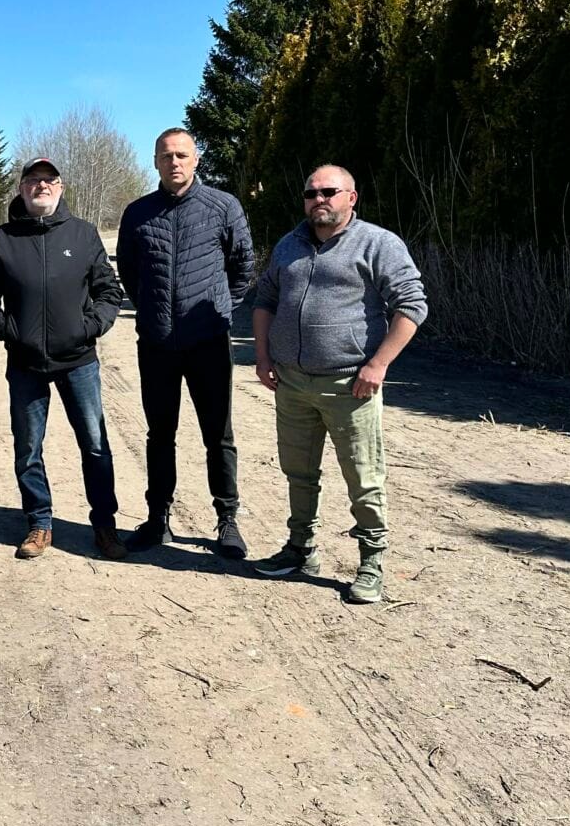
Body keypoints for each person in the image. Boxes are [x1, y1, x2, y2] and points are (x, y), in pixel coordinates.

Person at [251, 164, 428, 604]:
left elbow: (412, 305)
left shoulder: (378, 243)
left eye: (329, 191)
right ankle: (300, 548)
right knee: (298, 473)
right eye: (310, 193)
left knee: (363, 479)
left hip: (351, 385)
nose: (318, 199)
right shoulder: (289, 245)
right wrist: (262, 356)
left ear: (352, 197)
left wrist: (379, 364)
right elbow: (266, 300)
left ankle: (371, 561)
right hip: (291, 383)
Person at [0, 157, 128, 561]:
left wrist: (90, 326)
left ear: (61, 188)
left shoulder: (83, 234)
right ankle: (39, 523)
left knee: (95, 446)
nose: (41, 186)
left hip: (79, 361)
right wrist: (11, 333)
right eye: (33, 180)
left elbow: (109, 292)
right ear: (21, 188)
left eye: (49, 180)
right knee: (28, 448)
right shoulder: (2, 238)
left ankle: (105, 527)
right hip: (25, 364)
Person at [116, 128, 255, 558]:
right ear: (155, 162)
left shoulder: (222, 206)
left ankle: (227, 520)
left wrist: (218, 308)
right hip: (156, 343)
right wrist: (154, 310)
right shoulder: (138, 213)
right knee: (160, 434)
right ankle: (158, 518)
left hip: (207, 343)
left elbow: (243, 265)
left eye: (182, 155)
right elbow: (129, 271)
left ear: (195, 160)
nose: (174, 162)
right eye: (165, 156)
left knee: (219, 435)